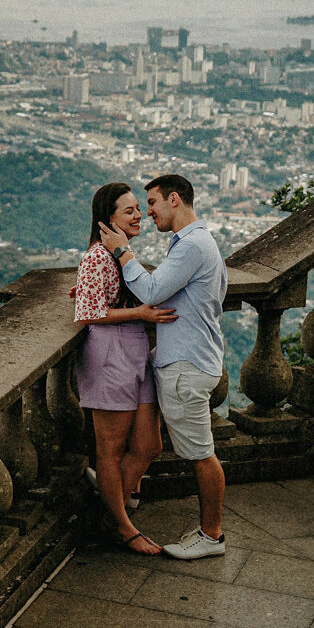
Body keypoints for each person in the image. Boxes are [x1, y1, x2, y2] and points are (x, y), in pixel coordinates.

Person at [98, 173, 229, 560]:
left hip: (186, 366)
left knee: (201, 454)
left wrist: (123, 252)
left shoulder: (191, 245)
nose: (148, 212)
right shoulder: (200, 242)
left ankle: (212, 535)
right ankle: (122, 489)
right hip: (188, 359)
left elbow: (153, 292)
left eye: (152, 203)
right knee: (153, 441)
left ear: (175, 199)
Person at [72, 182, 175, 555]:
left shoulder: (120, 253)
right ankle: (121, 526)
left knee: (149, 444)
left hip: (134, 351)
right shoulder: (98, 257)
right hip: (110, 354)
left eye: (138, 209)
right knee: (111, 450)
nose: (138, 216)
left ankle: (108, 512)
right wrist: (141, 313)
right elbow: (87, 313)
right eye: (129, 210)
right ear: (108, 218)